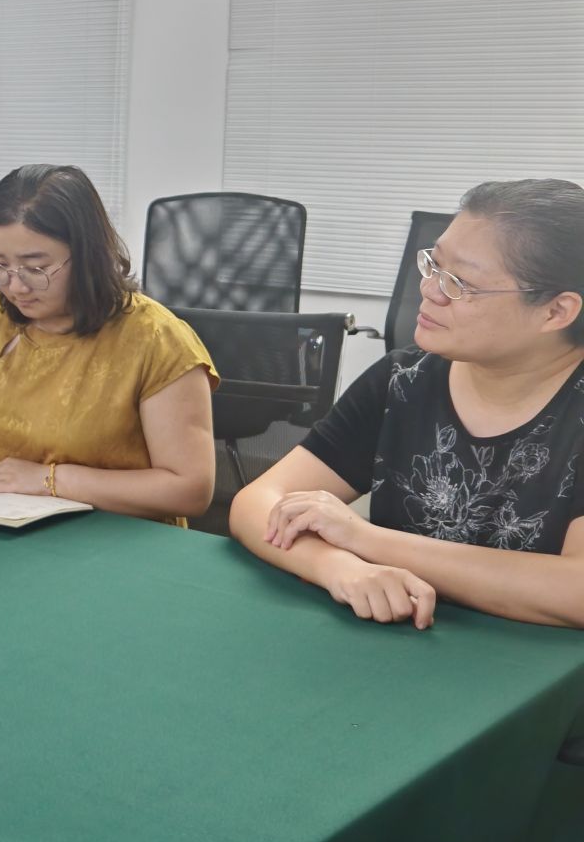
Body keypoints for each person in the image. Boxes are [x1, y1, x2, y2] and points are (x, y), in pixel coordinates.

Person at [232, 180, 584, 630]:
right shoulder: (404, 379)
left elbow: (575, 591)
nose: (429, 290)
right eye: (433, 264)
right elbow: (256, 503)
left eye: (460, 283)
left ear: (556, 312)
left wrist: (367, 540)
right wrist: (339, 569)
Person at [0, 164, 217, 524]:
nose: (15, 286)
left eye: (35, 268)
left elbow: (189, 489)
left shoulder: (155, 340)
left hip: (116, 537)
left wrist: (49, 480)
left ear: (88, 257)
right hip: (1, 528)